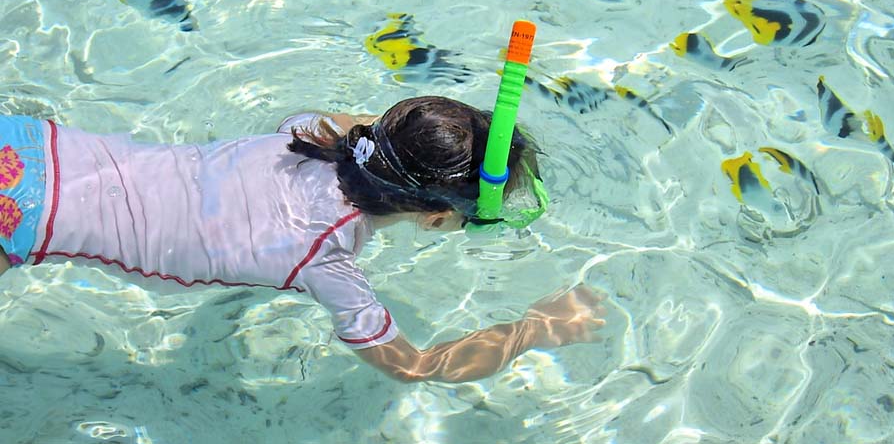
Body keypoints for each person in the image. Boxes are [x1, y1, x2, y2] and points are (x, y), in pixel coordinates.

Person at [0, 96, 605, 382]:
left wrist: (433, 141)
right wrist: (536, 329)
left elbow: (358, 127)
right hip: (19, 221)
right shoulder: (326, 263)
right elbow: (415, 367)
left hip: (29, 142)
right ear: (438, 219)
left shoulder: (304, 133)